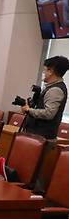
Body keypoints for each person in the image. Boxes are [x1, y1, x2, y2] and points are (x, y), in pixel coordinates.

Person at [22, 55, 69, 191]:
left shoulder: (55, 90)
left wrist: (29, 110)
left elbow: (49, 114)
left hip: (43, 137)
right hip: (37, 135)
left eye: (45, 70)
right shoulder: (50, 87)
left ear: (52, 70)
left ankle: (36, 201)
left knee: (35, 172)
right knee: (30, 171)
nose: (44, 72)